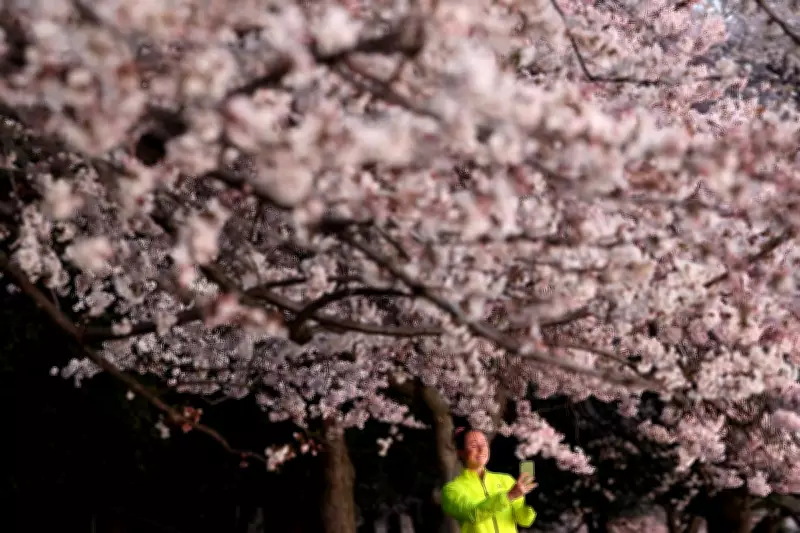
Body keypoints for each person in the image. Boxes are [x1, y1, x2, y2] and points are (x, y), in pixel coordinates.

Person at [441, 425, 537, 532]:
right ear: (460, 452)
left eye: (484, 443)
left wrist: (531, 504)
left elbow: (524, 520)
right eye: (473, 445)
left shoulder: (506, 480)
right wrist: (509, 496)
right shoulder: (452, 490)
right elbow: (473, 514)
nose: (481, 449)